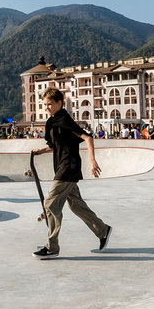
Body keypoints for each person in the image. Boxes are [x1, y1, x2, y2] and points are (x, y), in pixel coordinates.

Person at [30, 88, 111, 260]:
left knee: (50, 204)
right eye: (44, 105)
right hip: (62, 166)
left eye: (50, 104)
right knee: (75, 205)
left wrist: (92, 161)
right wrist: (40, 151)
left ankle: (52, 247)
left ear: (60, 103)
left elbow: (88, 138)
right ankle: (102, 230)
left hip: (68, 167)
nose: (47, 108)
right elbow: (54, 146)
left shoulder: (65, 119)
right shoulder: (52, 122)